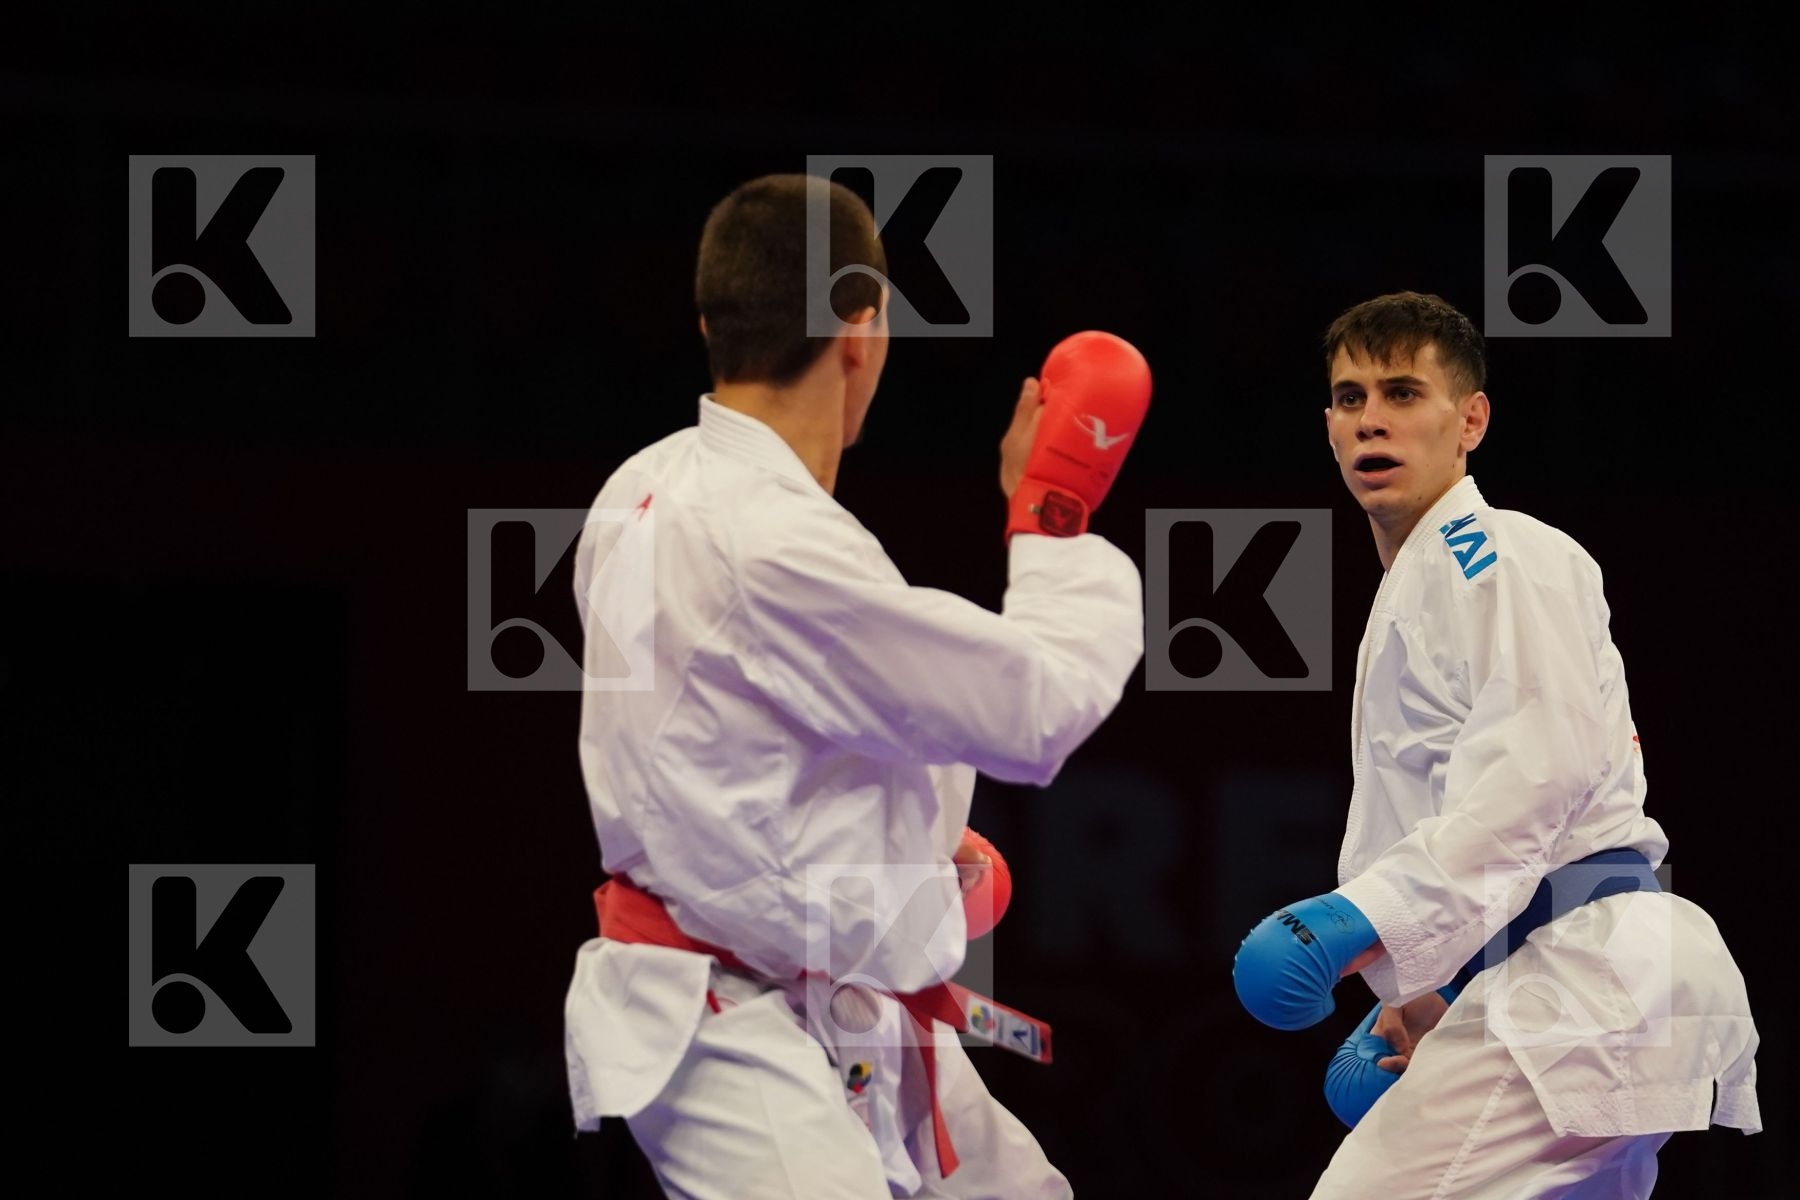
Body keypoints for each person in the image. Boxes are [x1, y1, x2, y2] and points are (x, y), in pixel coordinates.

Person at [561, 173, 1150, 1198]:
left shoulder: (640, 485)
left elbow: (725, 746)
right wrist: (1049, 517)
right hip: (735, 1016)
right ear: (862, 329)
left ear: (713, 321)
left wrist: (916, 848)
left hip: (827, 1004)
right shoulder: (775, 544)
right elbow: (1035, 709)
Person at [1232, 292, 1760, 1197]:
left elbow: (1539, 771)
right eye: (1351, 398)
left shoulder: (1493, 551)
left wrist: (1356, 922)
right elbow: (1461, 822)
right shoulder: (1421, 586)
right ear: (1327, 425)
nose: (1372, 420)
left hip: (1582, 977)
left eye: (1403, 394)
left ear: (1470, 418)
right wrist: (1408, 999)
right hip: (1569, 981)